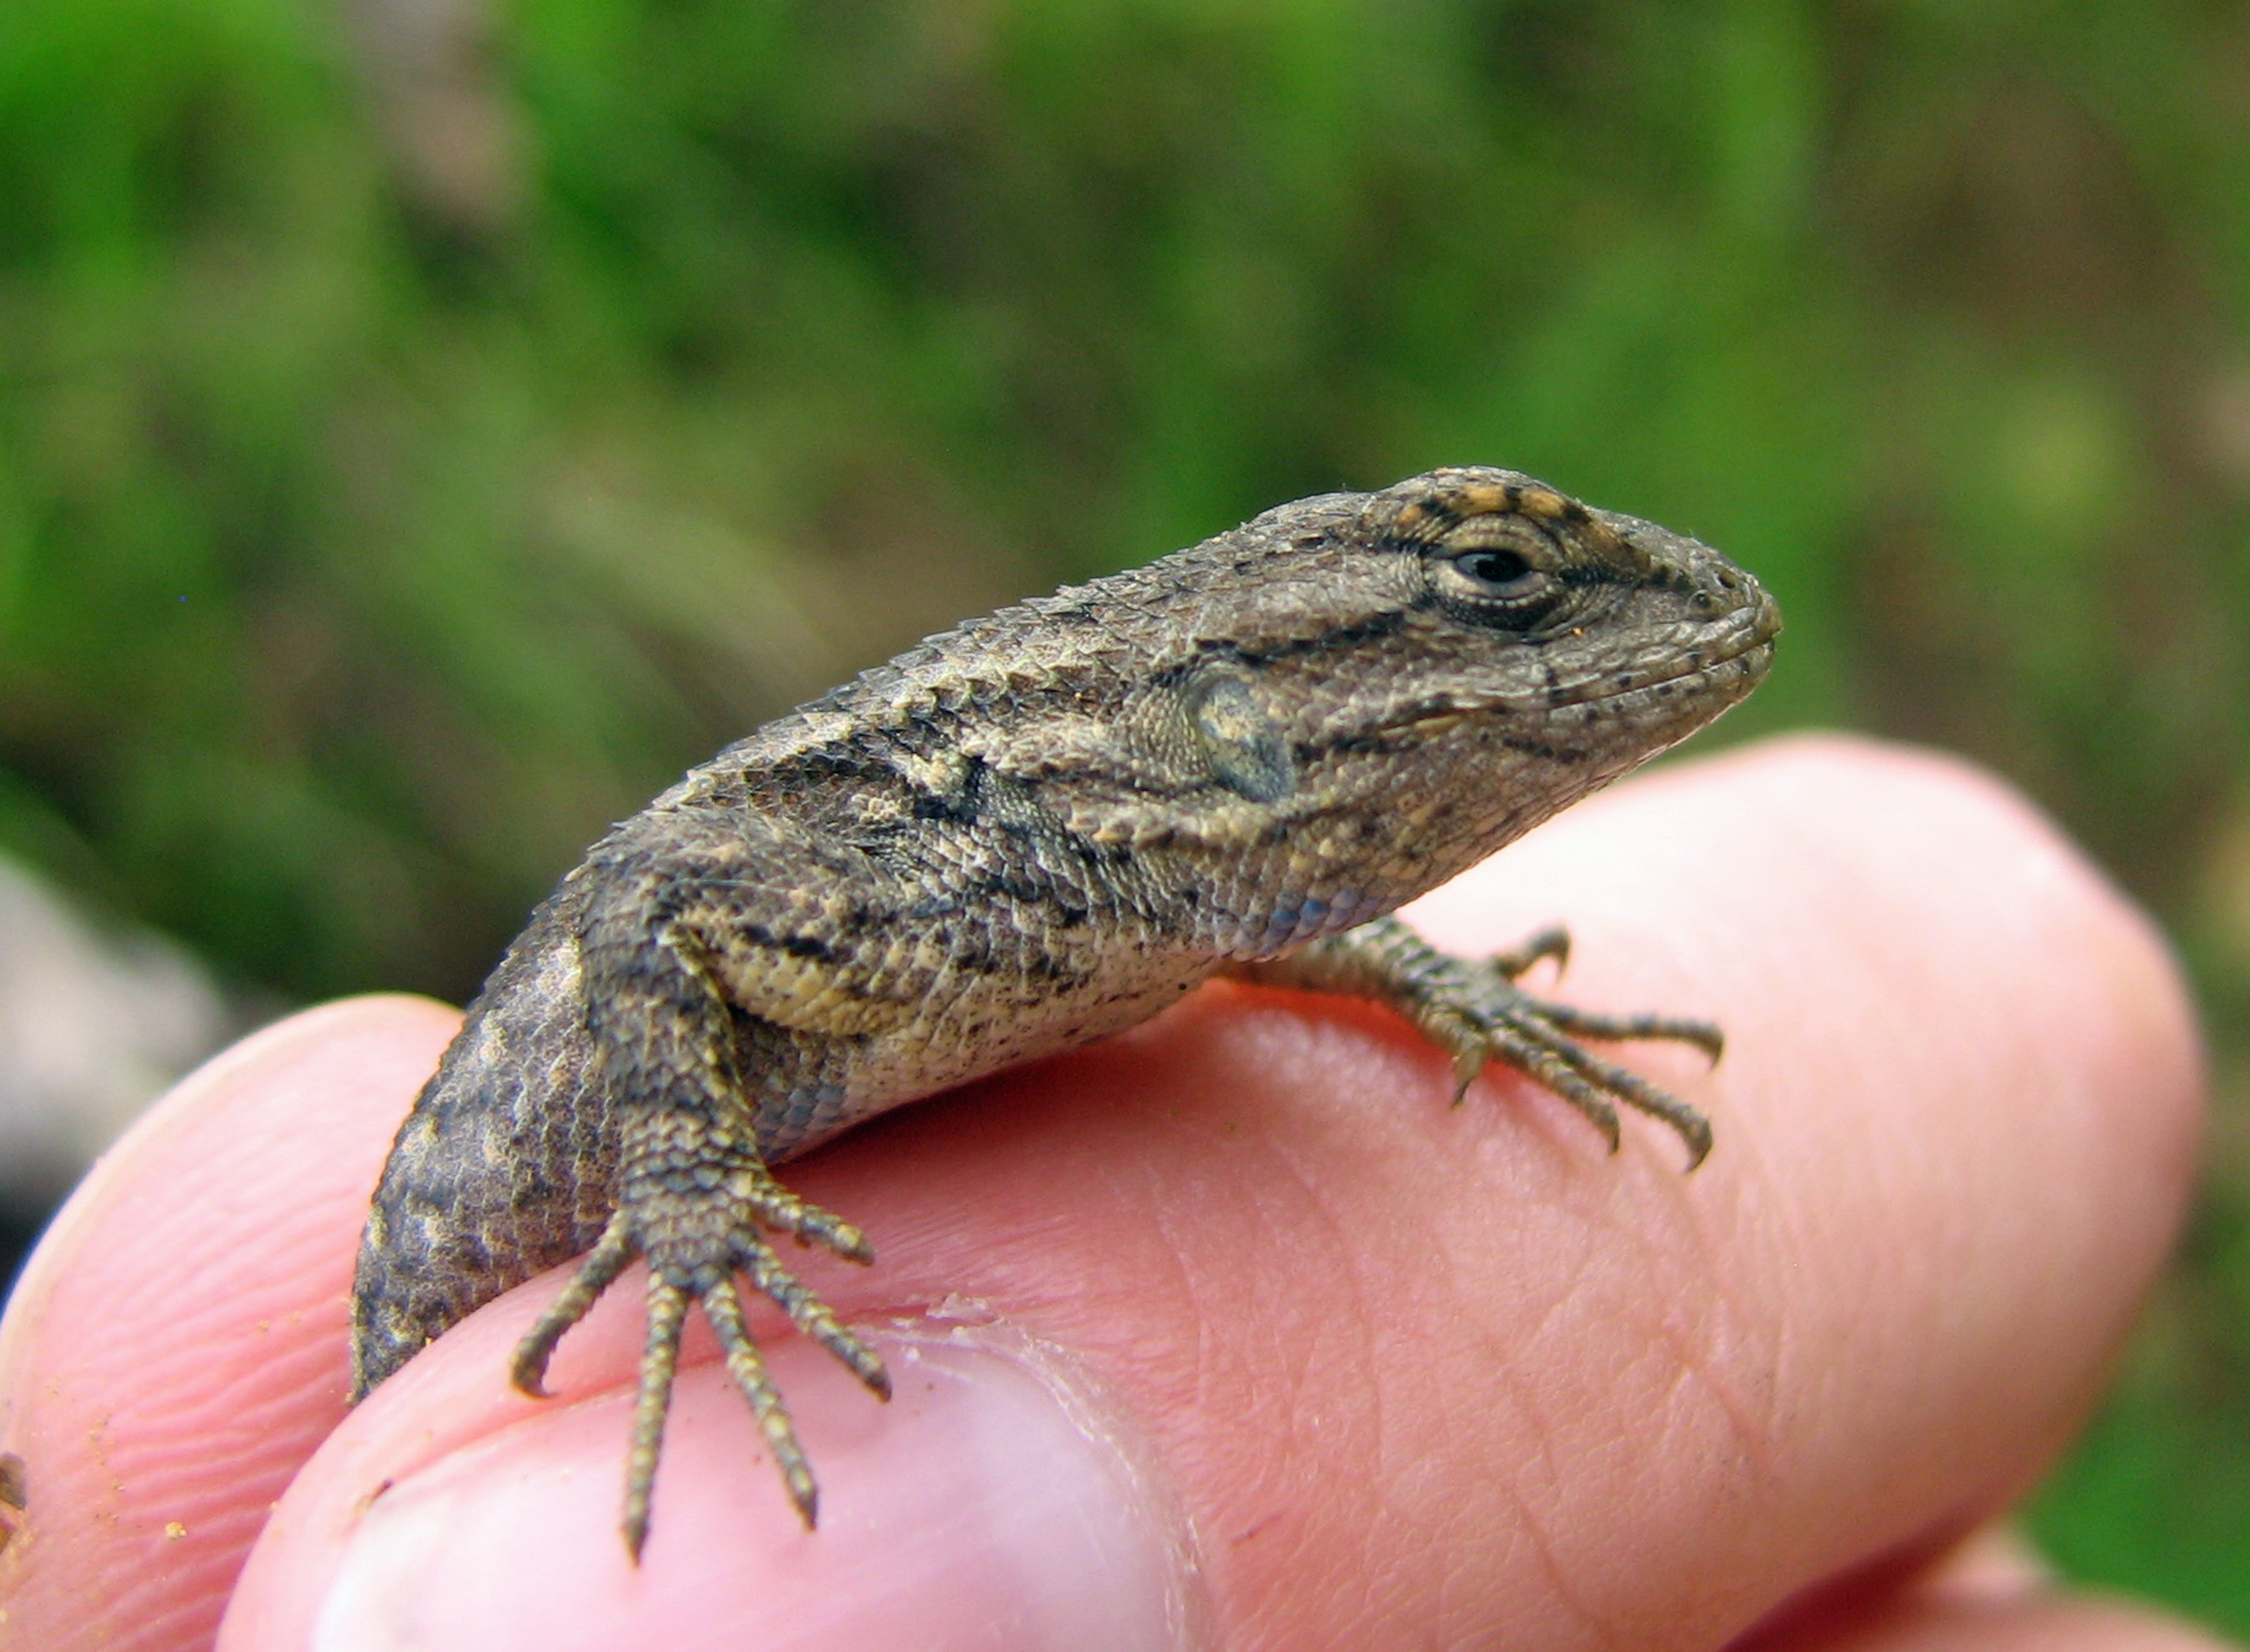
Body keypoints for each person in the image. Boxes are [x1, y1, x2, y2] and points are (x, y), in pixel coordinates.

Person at [0, 738, 2227, 1652]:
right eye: (1487, 593)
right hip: (414, 1335)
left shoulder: (1161, 861)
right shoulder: (1003, 841)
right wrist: (689, 1207)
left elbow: (1248, 911)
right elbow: (671, 918)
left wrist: (1435, 985)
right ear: (1253, 703)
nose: (1571, 666)